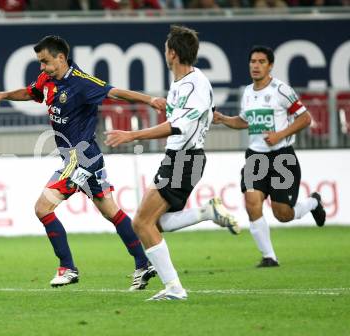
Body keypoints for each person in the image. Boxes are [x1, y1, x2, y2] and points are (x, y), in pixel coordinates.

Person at [0, 35, 167, 290]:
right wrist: (2, 95)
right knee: (110, 211)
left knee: (42, 208)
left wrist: (149, 100)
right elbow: (30, 92)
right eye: (39, 62)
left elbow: (115, 92)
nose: (41, 67)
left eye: (45, 61)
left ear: (61, 58)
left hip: (81, 158)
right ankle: (143, 262)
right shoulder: (47, 79)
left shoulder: (82, 83)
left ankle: (68, 267)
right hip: (82, 159)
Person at [105, 25, 239, 301]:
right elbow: (186, 115)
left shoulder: (195, 85)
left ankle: (175, 289)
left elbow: (175, 127)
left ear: (173, 54)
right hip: (178, 159)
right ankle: (206, 212)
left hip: (184, 160)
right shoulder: (184, 81)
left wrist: (132, 135)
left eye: (166, 48)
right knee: (156, 223)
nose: (164, 52)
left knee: (141, 223)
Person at [213, 45, 326, 267]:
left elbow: (305, 118)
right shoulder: (247, 92)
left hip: (282, 157)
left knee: (283, 214)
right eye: (253, 62)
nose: (256, 66)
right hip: (256, 158)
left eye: (261, 62)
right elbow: (245, 122)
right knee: (252, 202)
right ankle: (269, 257)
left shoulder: (281, 90)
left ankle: (313, 202)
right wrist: (225, 119)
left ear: (270, 65)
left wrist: (280, 134)